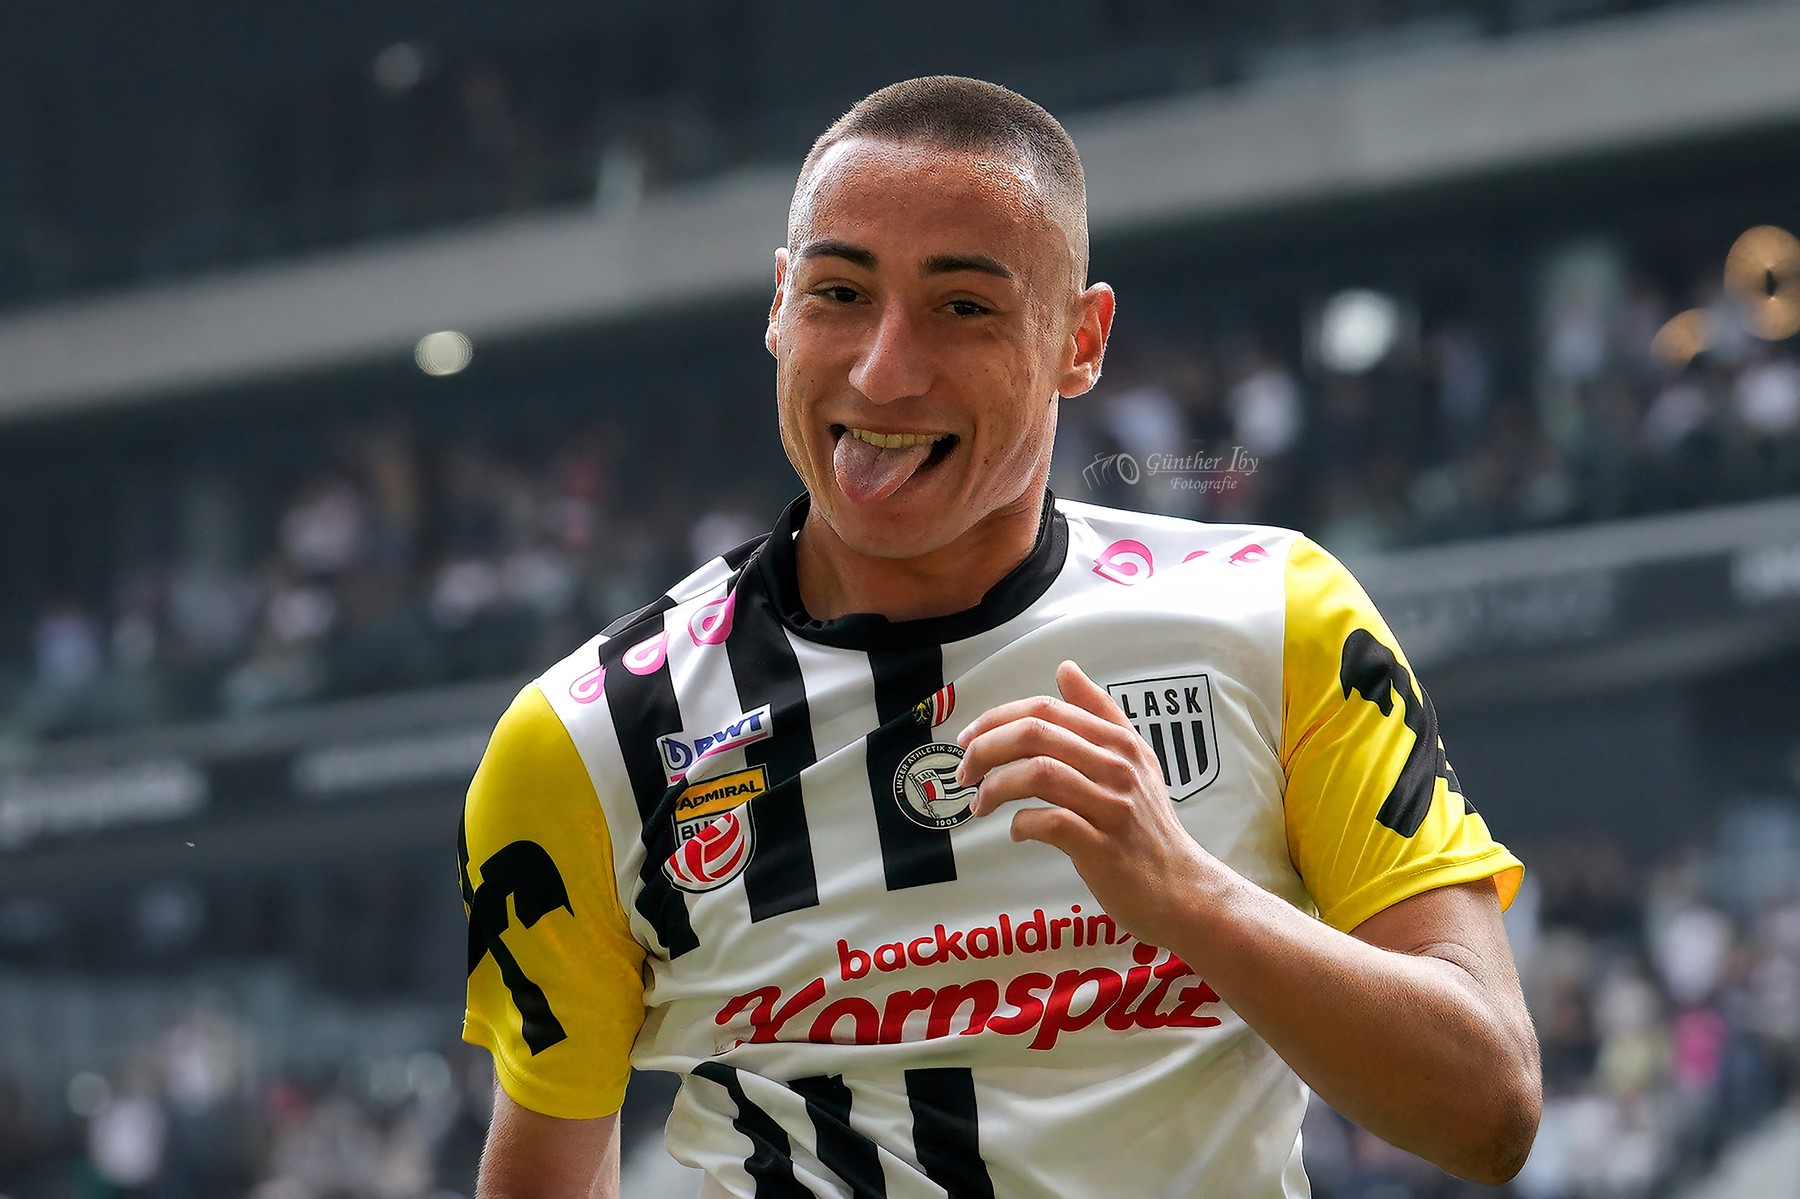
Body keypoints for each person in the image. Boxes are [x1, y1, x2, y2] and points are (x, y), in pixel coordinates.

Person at [459, 76, 1541, 1198]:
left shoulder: (1275, 618)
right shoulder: (589, 740)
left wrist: (1186, 892)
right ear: (780, 307)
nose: (884, 369)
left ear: (1083, 338)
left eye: (963, 307)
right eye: (838, 292)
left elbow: (1489, 1108)